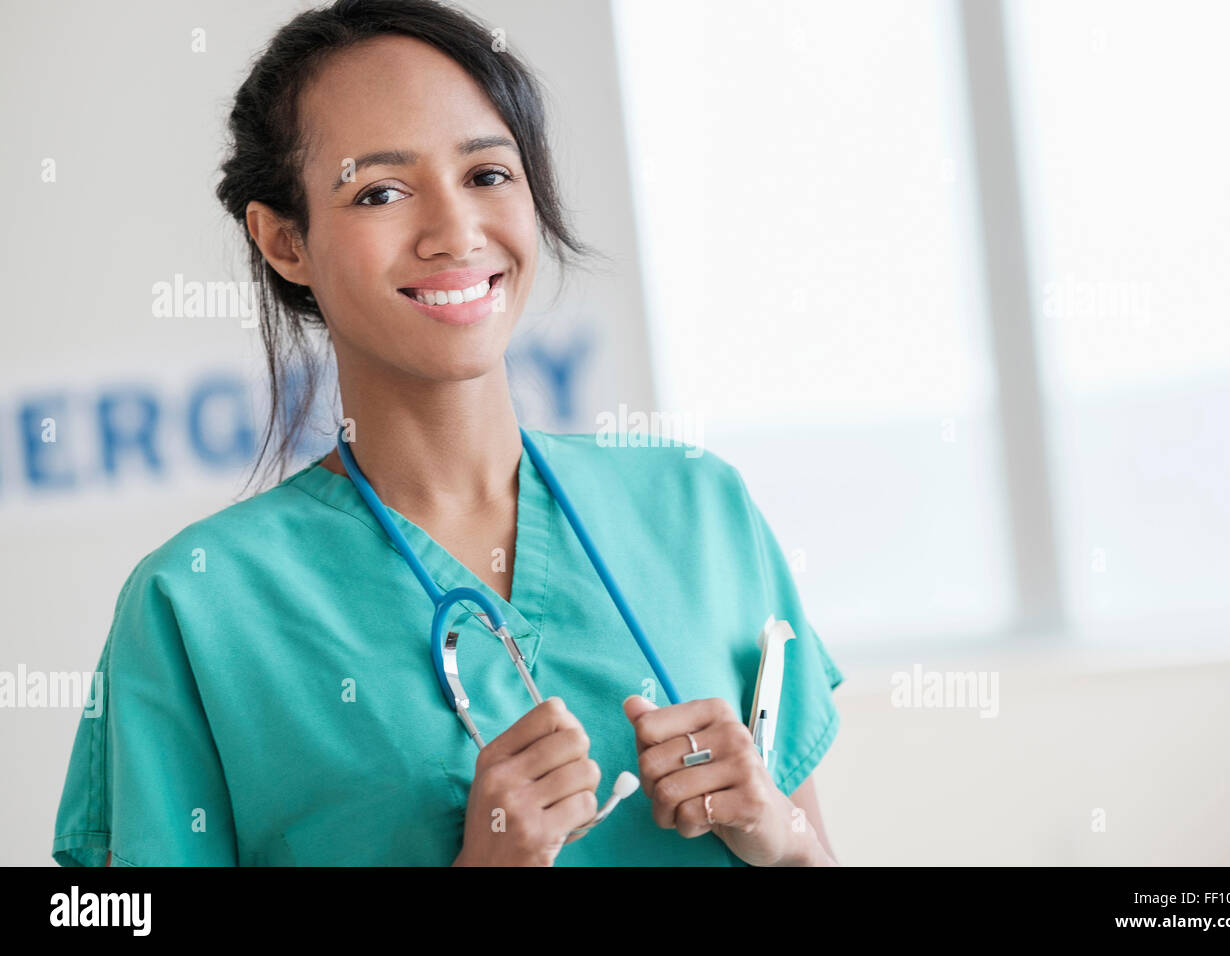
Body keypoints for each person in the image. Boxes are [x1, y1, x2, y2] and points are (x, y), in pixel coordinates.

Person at [51, 0, 843, 867]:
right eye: (381, 192)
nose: (455, 232)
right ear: (285, 242)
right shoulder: (197, 607)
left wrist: (785, 841)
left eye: (488, 175)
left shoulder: (699, 508)